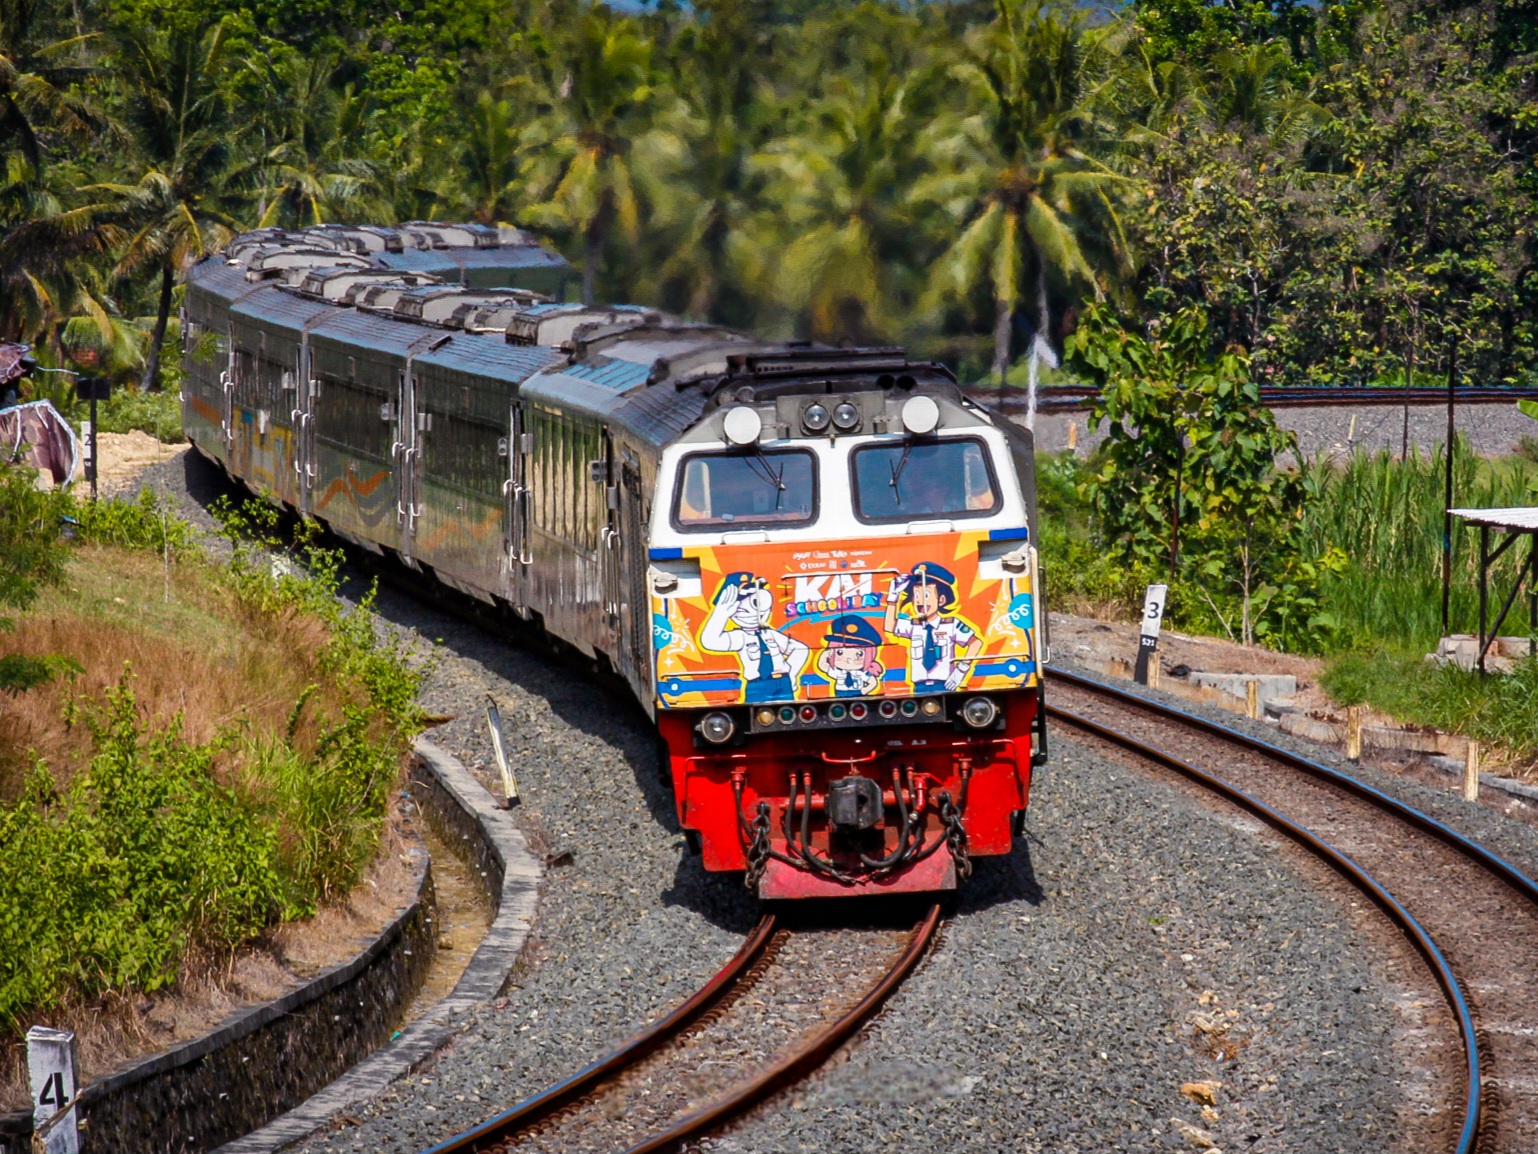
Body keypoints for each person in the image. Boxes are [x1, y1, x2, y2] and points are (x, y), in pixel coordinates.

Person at [700, 571, 809, 703]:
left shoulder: (770, 634)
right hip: (757, 685)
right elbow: (710, 641)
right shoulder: (740, 637)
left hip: (783, 682)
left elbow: (800, 649)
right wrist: (720, 614)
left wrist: (791, 673)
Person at [883, 561, 981, 694]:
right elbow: (890, 626)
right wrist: (892, 597)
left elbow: (975, 643)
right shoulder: (913, 626)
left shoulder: (950, 624)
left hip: (944, 685)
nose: (920, 601)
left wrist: (961, 670)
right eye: (916, 595)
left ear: (941, 600)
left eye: (926, 595)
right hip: (919, 687)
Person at [816, 615, 884, 697]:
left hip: (857, 693)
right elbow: (822, 666)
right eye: (840, 652)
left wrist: (863, 691)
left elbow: (873, 682)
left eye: (859, 654)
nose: (848, 659)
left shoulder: (862, 673)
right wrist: (825, 654)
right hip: (839, 693)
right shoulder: (838, 672)